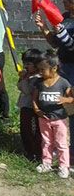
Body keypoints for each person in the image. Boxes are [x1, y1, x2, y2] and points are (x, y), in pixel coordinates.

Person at [34, 0, 74, 163]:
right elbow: (56, 43)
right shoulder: (64, 18)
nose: (63, 2)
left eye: (67, 0)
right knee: (64, 109)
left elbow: (72, 46)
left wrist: (62, 32)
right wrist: (44, 28)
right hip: (64, 68)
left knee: (71, 106)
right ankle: (63, 148)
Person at [32, 50, 73, 179]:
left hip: (60, 119)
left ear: (54, 68)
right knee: (46, 142)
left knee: (61, 143)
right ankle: (46, 163)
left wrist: (65, 100)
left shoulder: (63, 83)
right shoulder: (39, 83)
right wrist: (36, 109)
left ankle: (63, 166)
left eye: (43, 70)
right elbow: (34, 98)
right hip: (44, 118)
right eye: (39, 69)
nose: (40, 72)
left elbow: (72, 99)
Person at [17, 48, 43, 161]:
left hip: (34, 107)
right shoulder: (27, 75)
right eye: (24, 63)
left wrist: (24, 78)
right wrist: (22, 78)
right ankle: (29, 151)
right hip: (25, 106)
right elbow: (20, 87)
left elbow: (27, 91)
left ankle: (37, 152)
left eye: (29, 64)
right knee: (25, 129)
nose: (25, 66)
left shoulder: (38, 78)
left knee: (36, 130)